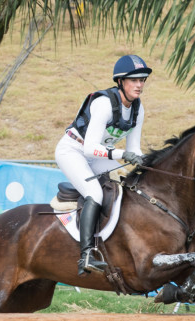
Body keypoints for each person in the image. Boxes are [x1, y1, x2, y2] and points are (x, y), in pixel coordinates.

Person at [55, 54, 152, 276]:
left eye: (142, 80)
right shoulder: (104, 104)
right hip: (73, 150)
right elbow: (89, 148)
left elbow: (134, 148)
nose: (139, 85)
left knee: (120, 187)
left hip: (99, 154)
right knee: (95, 194)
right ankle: (86, 255)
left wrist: (147, 163)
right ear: (121, 81)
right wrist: (123, 154)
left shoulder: (138, 109)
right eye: (134, 80)